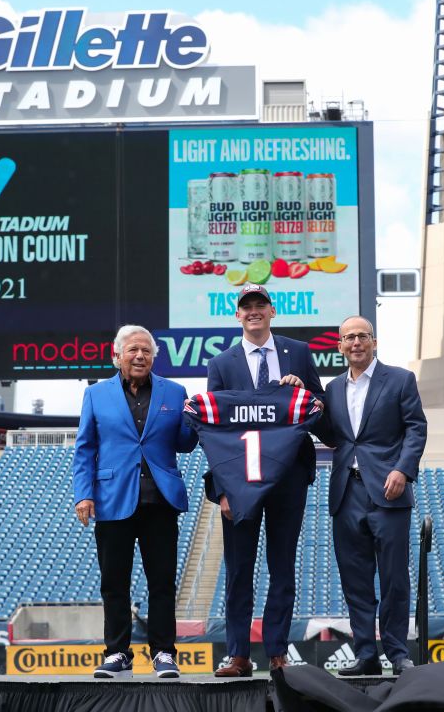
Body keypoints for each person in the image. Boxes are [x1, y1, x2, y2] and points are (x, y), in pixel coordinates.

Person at [205, 283, 326, 676]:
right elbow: (214, 432)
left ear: (272, 311)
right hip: (239, 481)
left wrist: (303, 391)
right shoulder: (221, 365)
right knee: (238, 569)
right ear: (237, 316)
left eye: (260, 305)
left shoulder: (300, 353)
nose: (254, 311)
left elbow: (319, 411)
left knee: (283, 566)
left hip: (287, 476)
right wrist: (221, 489)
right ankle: (238, 653)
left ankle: (277, 650)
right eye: (247, 307)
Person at [72, 325, 198, 679]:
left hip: (160, 501)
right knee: (114, 582)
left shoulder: (175, 393)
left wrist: (194, 420)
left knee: (162, 581)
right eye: (132, 350)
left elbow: (185, 443)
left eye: (146, 350)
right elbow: (85, 448)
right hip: (112, 501)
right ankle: (117, 653)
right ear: (117, 356)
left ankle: (163, 653)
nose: (139, 356)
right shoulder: (96, 395)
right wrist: (84, 493)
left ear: (154, 357)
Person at [323, 315, 427, 676]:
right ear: (339, 346)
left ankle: (398, 653)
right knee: (355, 580)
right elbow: (325, 430)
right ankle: (366, 653)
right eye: (348, 337)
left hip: (389, 490)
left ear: (374, 342)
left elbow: (416, 428)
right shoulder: (333, 389)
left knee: (395, 577)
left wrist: (402, 469)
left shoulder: (399, 379)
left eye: (362, 336)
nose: (355, 343)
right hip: (345, 491)